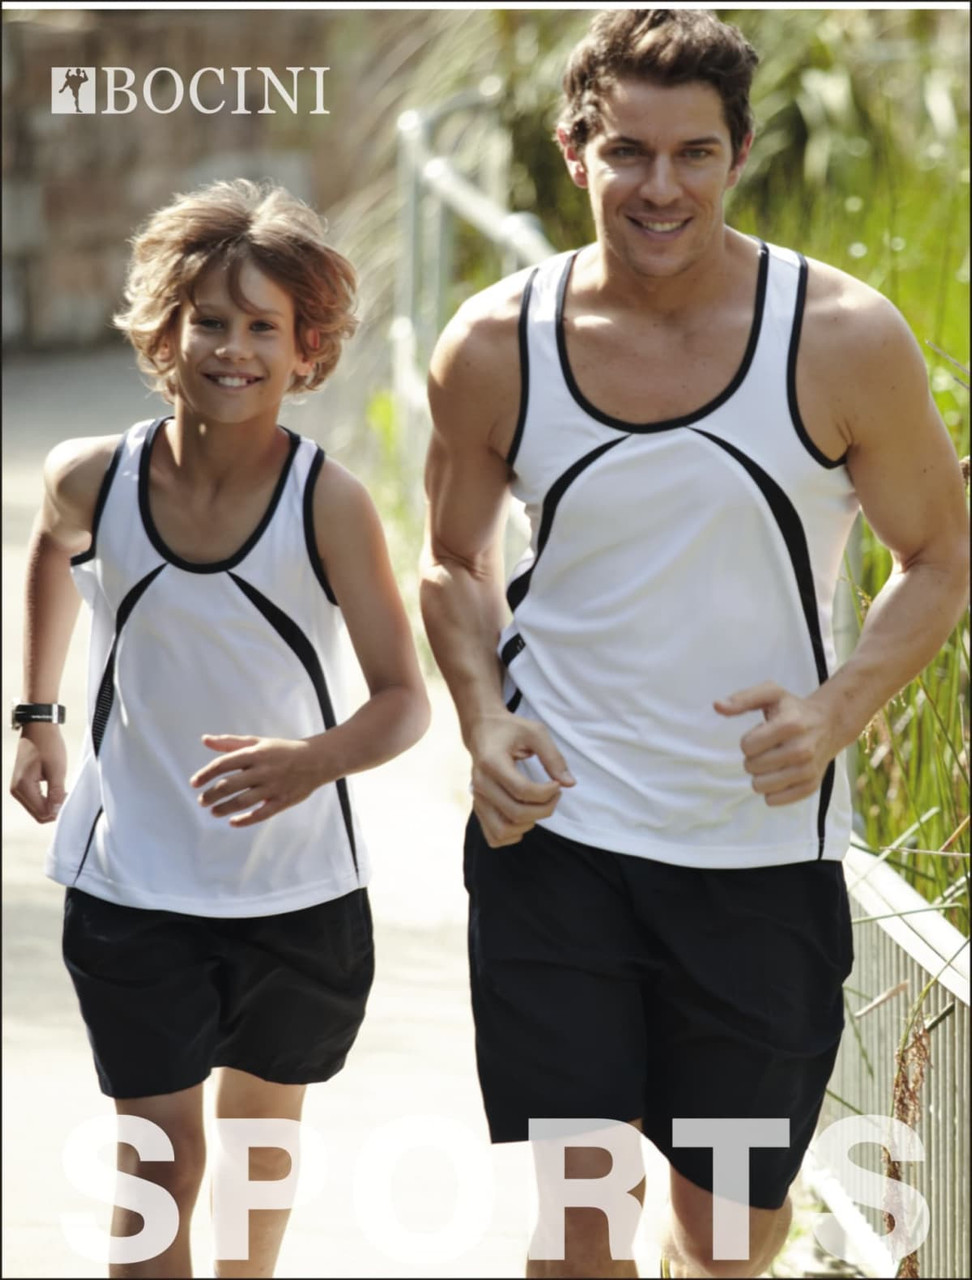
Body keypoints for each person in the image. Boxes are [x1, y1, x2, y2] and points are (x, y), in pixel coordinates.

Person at [420, 10, 969, 1279]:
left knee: (729, 1238)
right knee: (577, 1223)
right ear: (575, 151)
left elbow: (940, 556)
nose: (658, 186)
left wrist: (839, 710)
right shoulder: (496, 343)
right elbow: (452, 558)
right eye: (626, 151)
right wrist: (481, 715)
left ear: (740, 153)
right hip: (555, 835)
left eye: (691, 153)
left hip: (755, 850)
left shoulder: (842, 337)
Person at [9, 178, 430, 1279]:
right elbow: (52, 548)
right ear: (165, 330)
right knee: (160, 1162)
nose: (232, 348)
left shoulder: (328, 503)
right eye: (209, 320)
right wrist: (39, 713)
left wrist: (314, 761)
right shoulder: (91, 477)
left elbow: (402, 697)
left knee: (255, 1150)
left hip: (295, 890)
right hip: (131, 879)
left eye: (262, 327)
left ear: (308, 347)